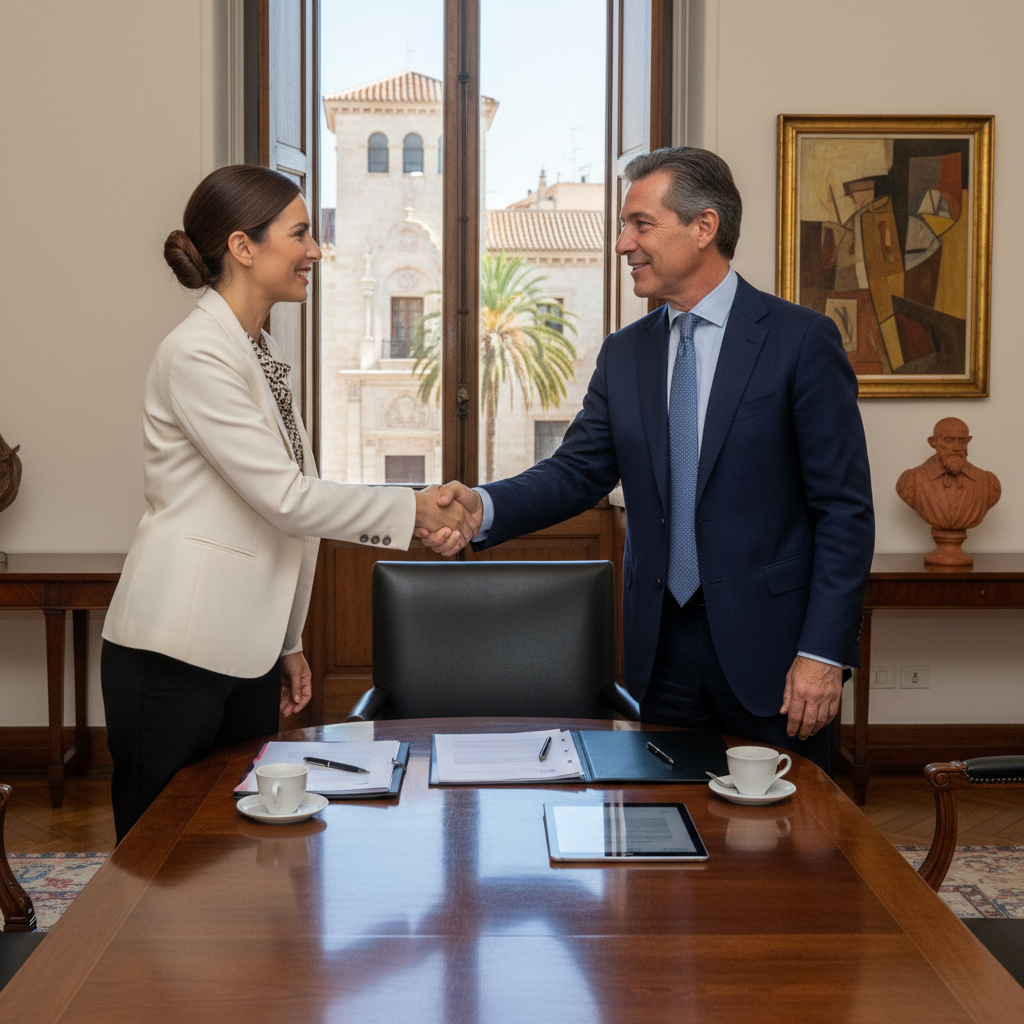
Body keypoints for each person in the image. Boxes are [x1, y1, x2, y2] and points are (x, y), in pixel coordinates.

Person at [420, 147, 874, 774]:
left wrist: (823, 653)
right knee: (662, 841)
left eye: (640, 224)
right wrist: (482, 505)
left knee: (787, 847)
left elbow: (845, 512)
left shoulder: (800, 341)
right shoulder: (625, 353)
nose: (622, 243)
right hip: (660, 655)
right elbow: (577, 470)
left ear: (703, 227)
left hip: (775, 654)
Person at [102, 165, 474, 842]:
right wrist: (413, 510)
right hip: (174, 651)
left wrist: (289, 641)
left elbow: (279, 512)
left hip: (243, 650)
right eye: (300, 233)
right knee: (157, 858)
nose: (315, 250)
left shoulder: (263, 353)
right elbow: (285, 499)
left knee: (231, 849)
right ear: (244, 247)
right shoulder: (197, 353)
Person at [896, 417, 1001, 531]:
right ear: (933, 442)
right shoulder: (912, 480)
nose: (956, 447)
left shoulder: (986, 481)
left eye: (962, 441)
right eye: (949, 440)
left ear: (968, 441)